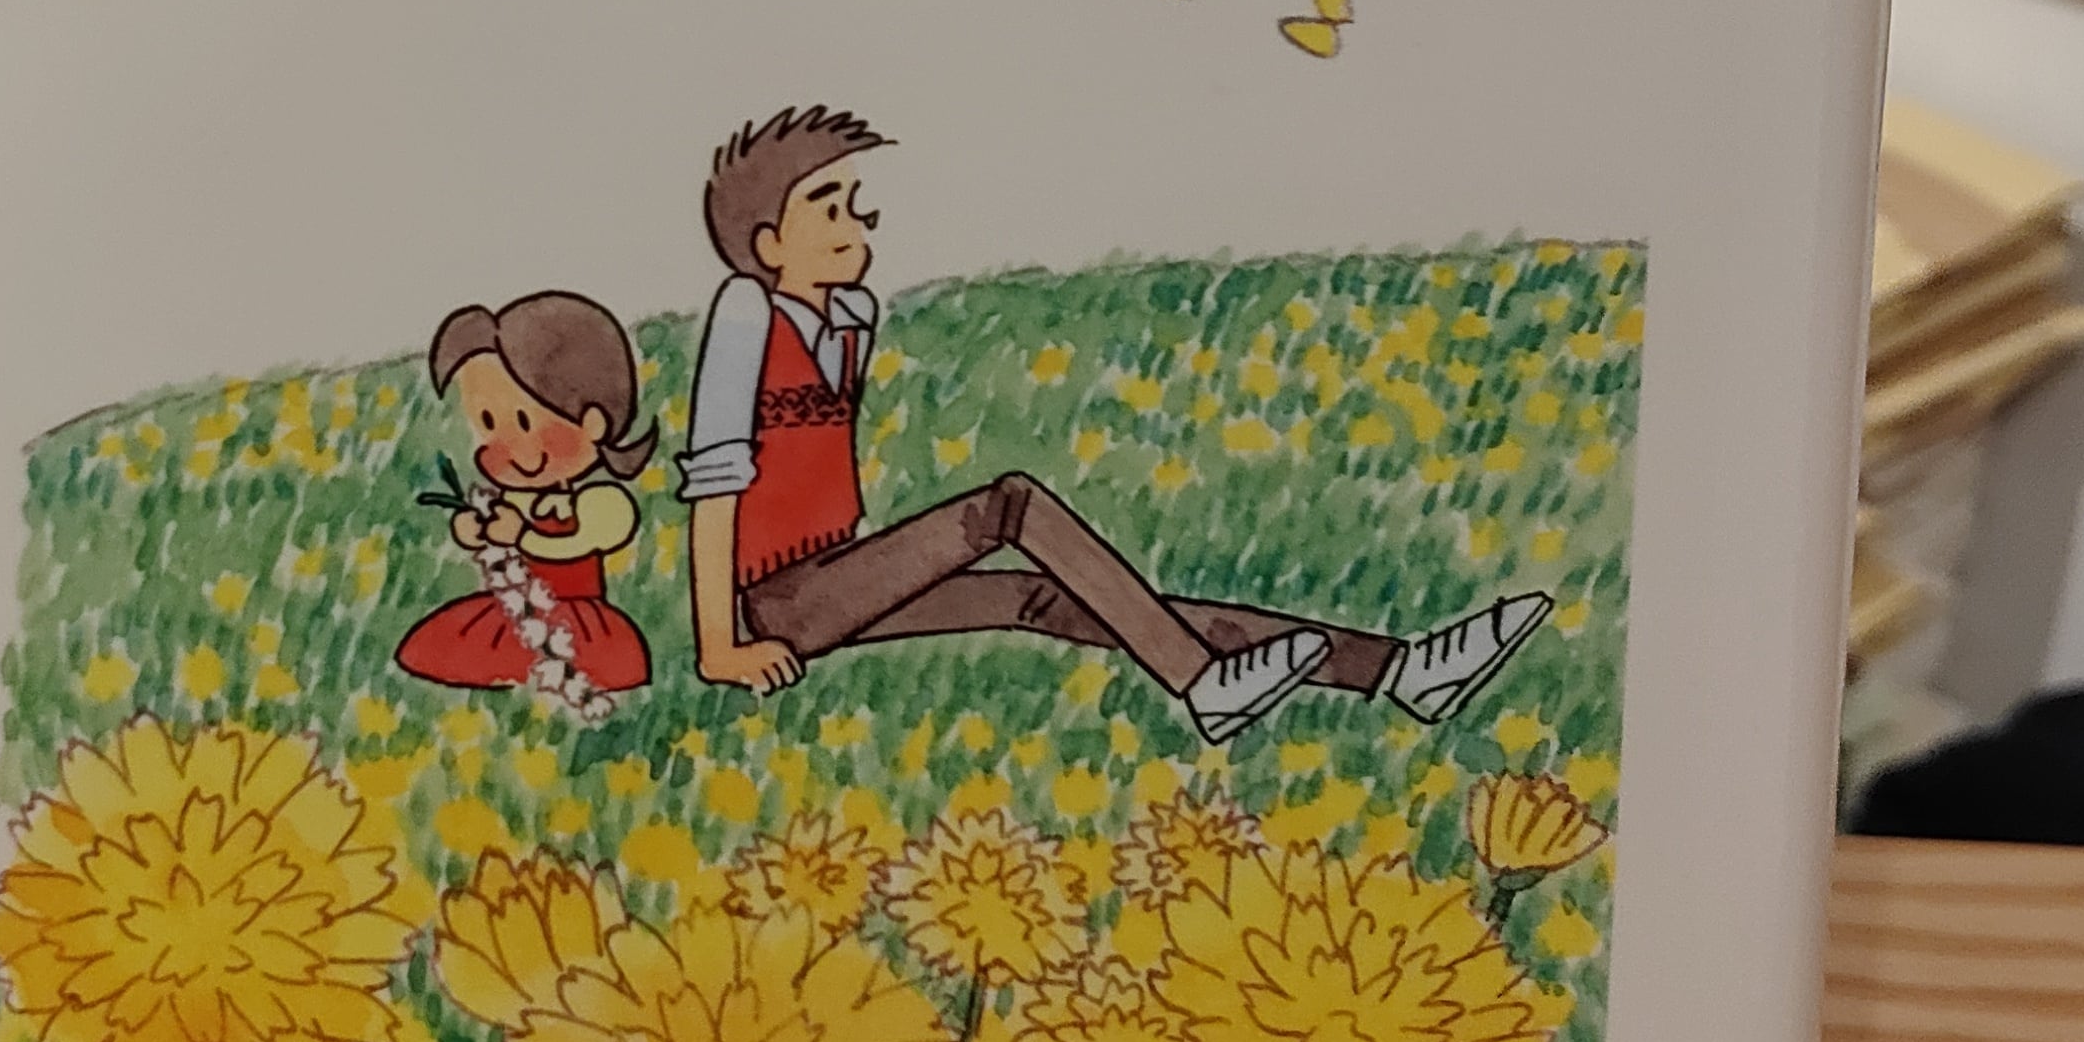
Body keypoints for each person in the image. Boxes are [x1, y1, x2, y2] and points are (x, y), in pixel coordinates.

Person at [677, 107, 1547, 747]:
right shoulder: (746, 312)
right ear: (768, 244)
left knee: (1048, 600)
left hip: (841, 576)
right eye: (827, 206)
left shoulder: (850, 317)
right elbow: (716, 488)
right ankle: (1202, 682)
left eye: (854, 201)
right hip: (782, 599)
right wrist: (721, 647)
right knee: (1008, 507)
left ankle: (1397, 670)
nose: (856, 221)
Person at [395, 290, 656, 702]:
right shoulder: (514, 500)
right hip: (514, 611)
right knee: (453, 647)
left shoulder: (600, 502)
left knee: (594, 662)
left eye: (523, 422)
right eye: (488, 426)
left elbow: (573, 545)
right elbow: (496, 537)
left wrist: (522, 536)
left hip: (576, 620)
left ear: (593, 422)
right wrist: (474, 530)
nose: (506, 449)